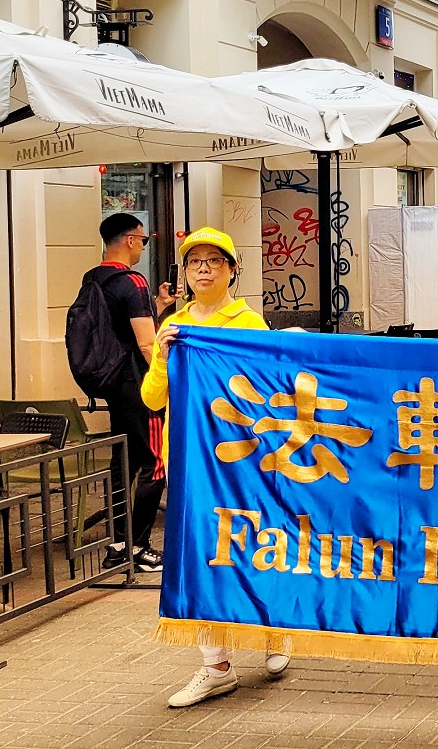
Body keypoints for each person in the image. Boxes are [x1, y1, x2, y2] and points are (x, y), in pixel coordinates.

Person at [141, 228, 288, 708]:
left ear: (231, 270)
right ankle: (215, 665)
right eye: (194, 262)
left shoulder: (247, 322)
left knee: (253, 540)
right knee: (200, 551)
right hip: (193, 457)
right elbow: (152, 398)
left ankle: (273, 632)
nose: (203, 269)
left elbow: (270, 389)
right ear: (184, 273)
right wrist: (161, 357)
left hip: (244, 456)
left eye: (213, 261)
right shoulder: (175, 325)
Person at [87, 213, 173, 574]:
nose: (142, 245)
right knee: (155, 461)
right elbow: (145, 342)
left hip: (112, 384)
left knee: (122, 461)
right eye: (143, 239)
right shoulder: (133, 282)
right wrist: (166, 376)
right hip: (140, 386)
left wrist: (160, 307)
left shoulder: (94, 278)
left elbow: (121, 327)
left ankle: (117, 543)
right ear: (130, 240)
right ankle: (139, 545)